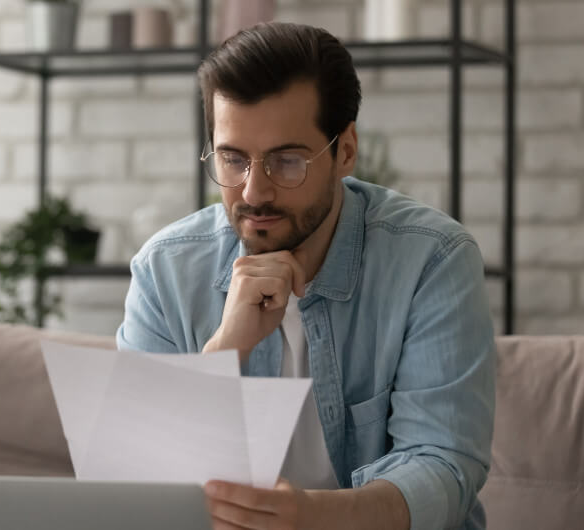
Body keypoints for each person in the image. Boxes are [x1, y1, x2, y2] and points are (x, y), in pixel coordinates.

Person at [116, 22, 495, 530]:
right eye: (232, 159)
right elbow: (135, 476)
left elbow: (444, 465)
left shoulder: (432, 260)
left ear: (345, 151)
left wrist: (311, 518)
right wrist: (225, 350)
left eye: (287, 161)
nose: (253, 192)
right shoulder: (165, 270)